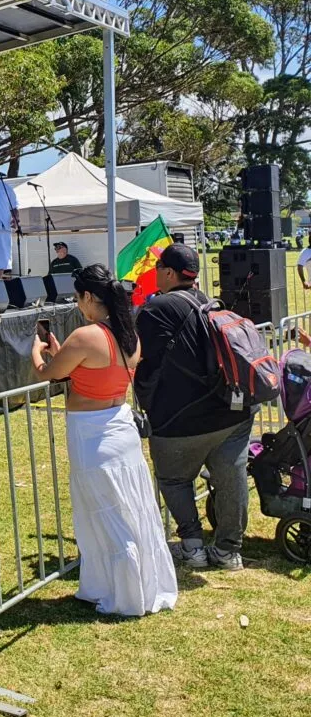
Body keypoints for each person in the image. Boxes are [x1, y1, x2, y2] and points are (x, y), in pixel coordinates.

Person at [31, 264, 177, 616]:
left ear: (91, 297)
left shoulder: (86, 336)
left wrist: (36, 350)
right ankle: (133, 584)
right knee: (129, 508)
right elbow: (86, 367)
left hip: (92, 432)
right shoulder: (130, 336)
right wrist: (59, 351)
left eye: (79, 298)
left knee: (104, 513)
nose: (78, 304)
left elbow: (47, 374)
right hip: (119, 425)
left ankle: (122, 594)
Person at [134, 243, 253, 571]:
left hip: (180, 420)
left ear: (169, 273)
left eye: (158, 268)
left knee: (174, 479)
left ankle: (193, 547)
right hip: (232, 411)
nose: (155, 273)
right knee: (232, 477)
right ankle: (229, 552)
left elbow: (140, 357)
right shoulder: (213, 303)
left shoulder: (156, 310)